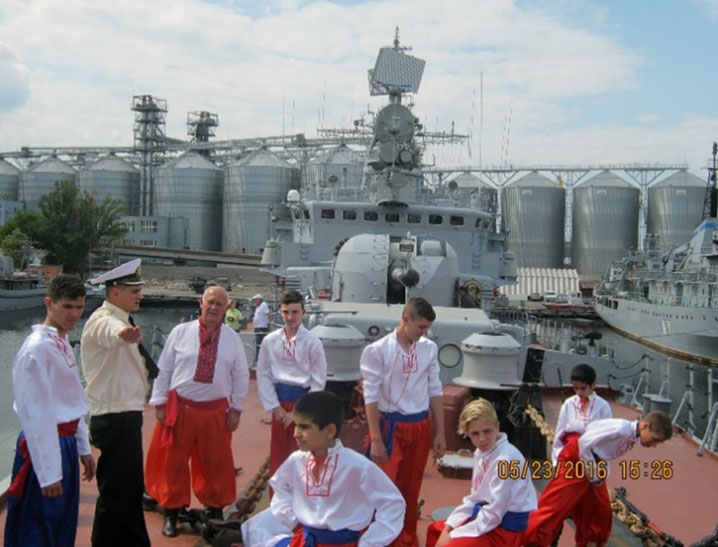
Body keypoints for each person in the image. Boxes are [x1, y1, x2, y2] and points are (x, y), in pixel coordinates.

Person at [145, 285, 250, 537]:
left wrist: (236, 407)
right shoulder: (181, 332)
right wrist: (159, 401)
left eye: (219, 304)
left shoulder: (232, 339)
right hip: (180, 408)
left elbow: (240, 374)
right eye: (210, 302)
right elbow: (165, 368)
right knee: (173, 463)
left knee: (216, 463)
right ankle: (171, 512)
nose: (214, 308)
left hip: (215, 410)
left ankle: (214, 510)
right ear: (201, 303)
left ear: (227, 309)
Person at [4, 274, 96, 547]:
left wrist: (82, 447)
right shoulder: (36, 350)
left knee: (61, 522)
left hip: (65, 443)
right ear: (49, 304)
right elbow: (36, 414)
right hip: (46, 445)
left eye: (79, 307)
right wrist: (49, 473)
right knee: (37, 524)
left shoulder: (61, 342)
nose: (74, 314)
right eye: (67, 306)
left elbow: (71, 398)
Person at [360, 296, 446, 546]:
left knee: (410, 489)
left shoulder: (428, 349)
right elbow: (371, 396)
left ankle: (405, 539)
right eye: (421, 327)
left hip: (419, 425)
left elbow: (435, 389)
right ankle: (377, 540)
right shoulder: (377, 351)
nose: (424, 333)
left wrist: (440, 432)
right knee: (383, 489)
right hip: (390, 428)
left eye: (427, 328)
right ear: (405, 319)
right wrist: (375, 438)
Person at [270, 390, 406, 546]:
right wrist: (291, 519)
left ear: (330, 431)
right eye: (295, 426)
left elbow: (393, 503)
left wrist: (370, 542)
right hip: (305, 541)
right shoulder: (296, 460)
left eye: (304, 427)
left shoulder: (357, 466)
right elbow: (280, 487)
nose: (296, 434)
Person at [522, 411, 674, 546]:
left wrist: (601, 473)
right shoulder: (620, 428)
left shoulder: (630, 436)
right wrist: (593, 473)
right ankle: (528, 541)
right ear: (645, 426)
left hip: (592, 463)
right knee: (555, 506)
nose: (654, 445)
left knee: (600, 510)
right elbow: (584, 443)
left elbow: (603, 452)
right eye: (655, 440)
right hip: (577, 460)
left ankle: (590, 542)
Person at [81, 258, 151, 547]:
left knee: (128, 489)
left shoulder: (123, 319)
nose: (140, 295)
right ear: (115, 292)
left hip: (126, 416)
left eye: (139, 290)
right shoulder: (104, 320)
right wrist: (123, 335)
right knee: (116, 492)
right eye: (133, 290)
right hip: (115, 418)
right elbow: (110, 333)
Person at [426, 398, 537, 546]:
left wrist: (453, 535)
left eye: (487, 431)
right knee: (435, 530)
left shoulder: (507, 460)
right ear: (467, 434)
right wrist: (449, 527)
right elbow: (475, 498)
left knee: (451, 544)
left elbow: (495, 512)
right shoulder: (482, 453)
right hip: (487, 517)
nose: (482, 439)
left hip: (504, 530)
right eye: (475, 434)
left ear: (497, 427)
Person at [257, 289, 327, 477]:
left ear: (303, 313)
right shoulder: (270, 341)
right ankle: (279, 502)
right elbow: (263, 374)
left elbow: (318, 380)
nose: (290, 317)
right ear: (280, 312)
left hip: (303, 407)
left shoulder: (313, 343)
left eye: (295, 312)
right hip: (280, 407)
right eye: (286, 312)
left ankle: (305, 502)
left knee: (305, 457)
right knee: (279, 457)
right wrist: (274, 407)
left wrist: (298, 412)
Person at [551, 363, 612, 465]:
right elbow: (560, 433)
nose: (579, 392)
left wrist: (602, 464)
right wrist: (557, 460)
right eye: (575, 388)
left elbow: (607, 436)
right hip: (570, 456)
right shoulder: (568, 404)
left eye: (583, 388)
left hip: (593, 456)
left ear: (593, 385)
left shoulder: (603, 406)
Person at [252, 293, 272, 364]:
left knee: (260, 344)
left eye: (256, 299)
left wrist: (269, 323)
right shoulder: (258, 306)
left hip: (262, 327)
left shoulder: (263, 305)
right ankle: (259, 359)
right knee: (258, 343)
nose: (255, 301)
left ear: (259, 299)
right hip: (258, 327)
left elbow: (268, 314)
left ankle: (259, 360)